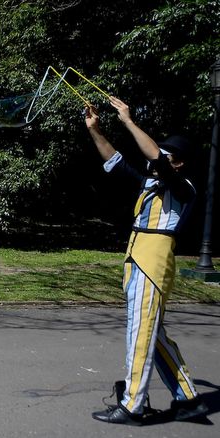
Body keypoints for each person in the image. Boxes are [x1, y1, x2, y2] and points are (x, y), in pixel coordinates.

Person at [85, 97, 208, 424]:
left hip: (152, 261)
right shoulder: (150, 183)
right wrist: (96, 130)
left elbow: (155, 157)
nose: (159, 155)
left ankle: (133, 405)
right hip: (138, 257)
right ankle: (189, 399)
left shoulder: (183, 187)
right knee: (154, 335)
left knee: (140, 334)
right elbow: (115, 161)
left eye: (167, 154)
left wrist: (127, 120)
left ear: (178, 163)